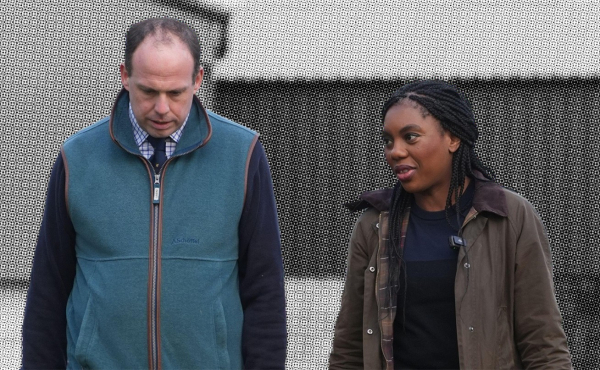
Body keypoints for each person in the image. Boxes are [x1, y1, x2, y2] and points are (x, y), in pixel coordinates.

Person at [21, 18, 286, 369]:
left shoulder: (243, 154)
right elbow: (47, 291)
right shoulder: (78, 157)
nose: (162, 108)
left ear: (197, 80)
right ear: (125, 77)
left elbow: (264, 290)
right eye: (148, 91)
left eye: (176, 93)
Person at [329, 80, 572, 369]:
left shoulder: (509, 216)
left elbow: (543, 342)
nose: (395, 151)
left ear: (453, 138)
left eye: (410, 137)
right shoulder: (374, 225)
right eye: (388, 140)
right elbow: (349, 347)